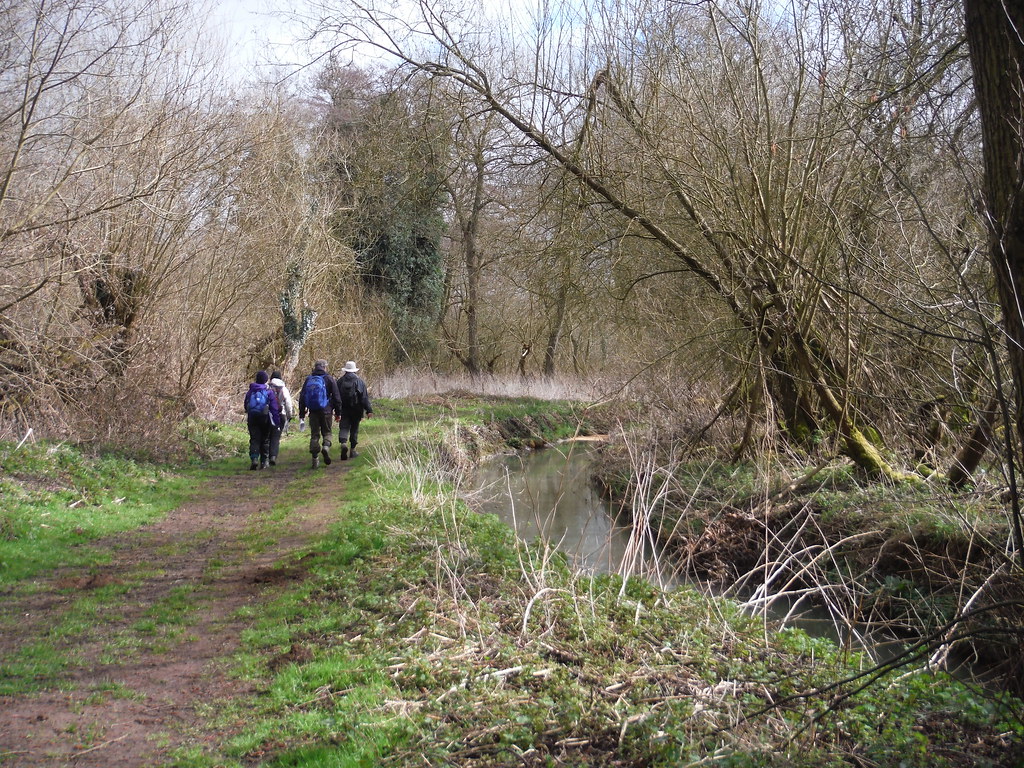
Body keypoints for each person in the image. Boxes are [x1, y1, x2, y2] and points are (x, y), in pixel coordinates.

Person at [297, 359, 341, 469]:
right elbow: (337, 397)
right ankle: (326, 447)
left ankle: (315, 459)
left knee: (314, 435)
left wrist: (302, 413)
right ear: (324, 367)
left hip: (313, 412)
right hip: (327, 411)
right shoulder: (329, 379)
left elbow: (302, 398)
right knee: (327, 432)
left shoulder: (309, 379)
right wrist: (338, 413)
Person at [243, 370, 281, 470]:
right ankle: (264, 462)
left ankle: (254, 459)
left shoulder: (251, 391)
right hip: (265, 418)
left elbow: (246, 405)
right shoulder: (269, 391)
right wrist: (276, 422)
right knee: (265, 439)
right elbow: (274, 408)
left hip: (252, 418)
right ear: (265, 380)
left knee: (254, 439)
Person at [335, 360, 373, 460]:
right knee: (354, 429)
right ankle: (352, 450)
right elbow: (364, 398)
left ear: (345, 370)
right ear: (355, 370)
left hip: (343, 409)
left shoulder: (340, 381)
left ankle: (343, 443)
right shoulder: (359, 381)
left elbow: (336, 397)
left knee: (343, 427)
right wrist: (369, 410)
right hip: (356, 410)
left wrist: (336, 410)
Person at [267, 370, 295, 466]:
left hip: (268, 415)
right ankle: (273, 456)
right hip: (280, 415)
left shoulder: (267, 387)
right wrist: (289, 415)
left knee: (267, 436)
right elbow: (288, 403)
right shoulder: (283, 388)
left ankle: (265, 458)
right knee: (276, 436)